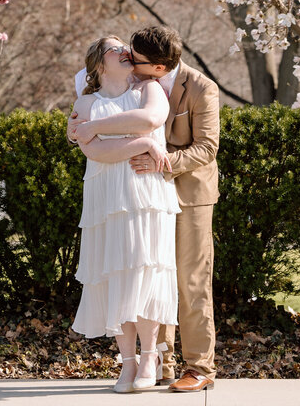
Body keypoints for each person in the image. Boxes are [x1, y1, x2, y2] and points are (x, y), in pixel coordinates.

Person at [71, 25, 220, 393]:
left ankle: (199, 367)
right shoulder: (134, 76)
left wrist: (162, 160)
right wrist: (79, 127)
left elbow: (207, 148)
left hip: (187, 191)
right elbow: (86, 102)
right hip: (139, 193)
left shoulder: (201, 88)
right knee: (151, 272)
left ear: (158, 67)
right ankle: (161, 363)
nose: (130, 60)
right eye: (128, 53)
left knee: (189, 280)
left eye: (137, 59)